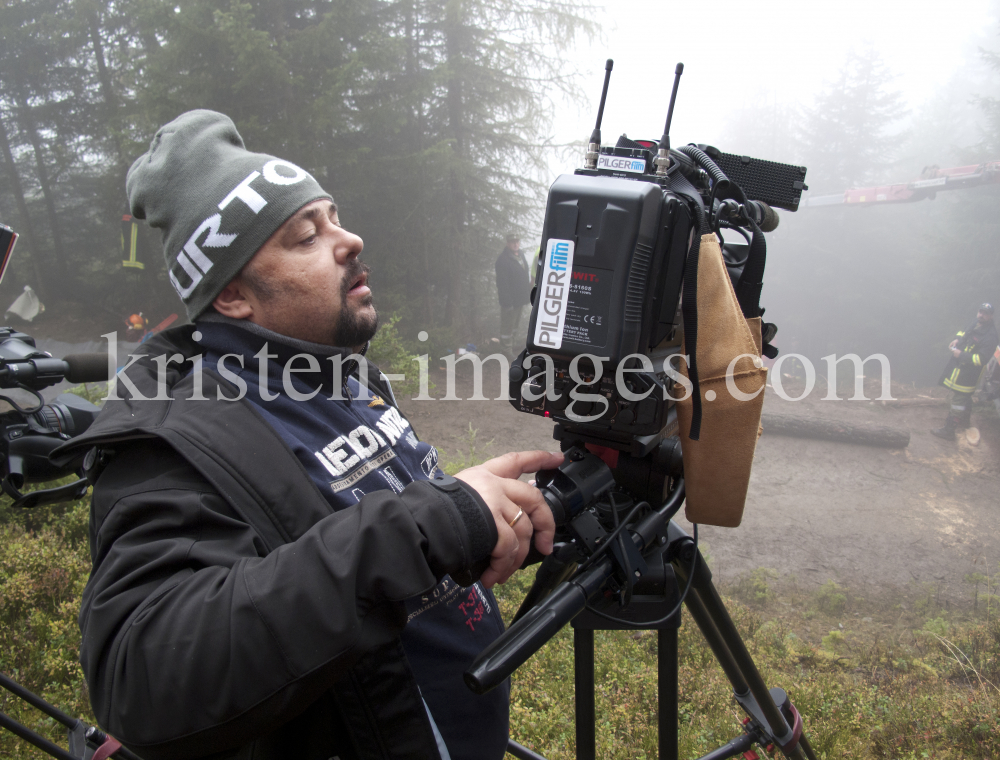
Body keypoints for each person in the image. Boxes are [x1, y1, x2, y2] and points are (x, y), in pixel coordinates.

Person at [53, 110, 561, 760]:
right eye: (305, 236)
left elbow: (379, 548)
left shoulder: (343, 375)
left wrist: (489, 520)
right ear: (232, 294)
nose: (349, 240)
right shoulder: (177, 438)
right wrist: (429, 522)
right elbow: (142, 678)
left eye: (336, 218)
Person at [931, 302, 999, 440]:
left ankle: (949, 431)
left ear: (991, 316)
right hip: (960, 370)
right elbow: (964, 331)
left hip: (970, 374)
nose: (982, 315)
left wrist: (960, 355)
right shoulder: (975, 322)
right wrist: (957, 339)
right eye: (980, 312)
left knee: (958, 400)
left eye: (985, 313)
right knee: (963, 396)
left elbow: (981, 359)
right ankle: (964, 421)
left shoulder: (991, 336)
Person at [494, 233, 531, 357]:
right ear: (507, 243)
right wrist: (506, 302)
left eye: (517, 241)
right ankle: (506, 351)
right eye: (512, 242)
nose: (516, 244)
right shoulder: (503, 260)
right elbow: (502, 284)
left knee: (514, 326)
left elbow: (524, 275)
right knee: (507, 327)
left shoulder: (521, 255)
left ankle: (512, 346)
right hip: (509, 301)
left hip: (520, 299)